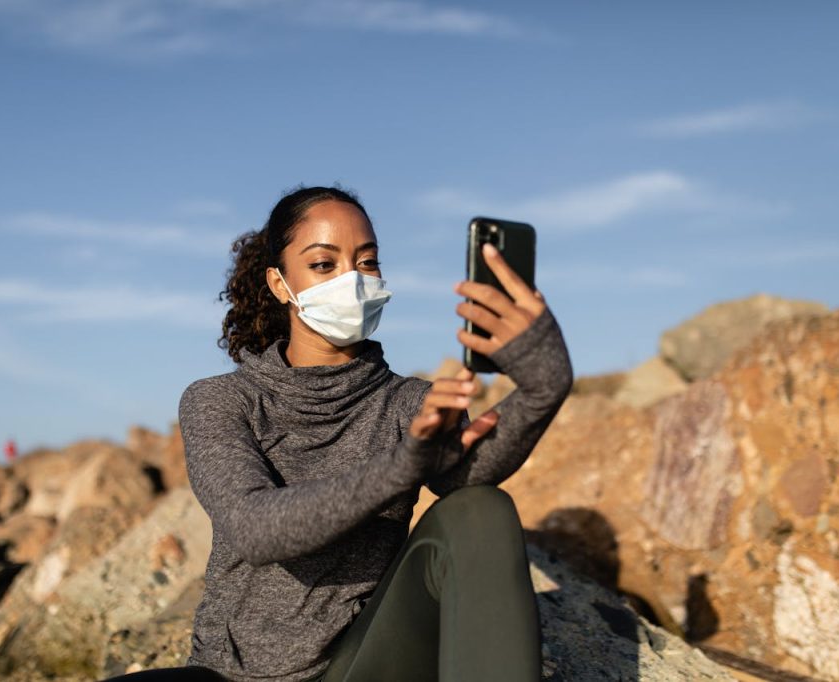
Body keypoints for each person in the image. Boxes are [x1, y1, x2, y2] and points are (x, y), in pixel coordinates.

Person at [103, 185, 573, 682]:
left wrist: (545, 385)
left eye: (366, 263)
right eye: (324, 265)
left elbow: (465, 483)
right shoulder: (221, 400)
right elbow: (253, 528)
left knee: (483, 507)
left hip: (360, 666)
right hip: (230, 676)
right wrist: (399, 468)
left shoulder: (409, 403)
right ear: (280, 283)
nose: (352, 280)